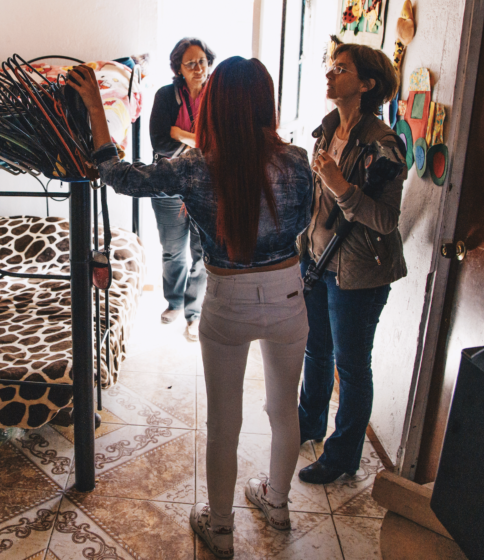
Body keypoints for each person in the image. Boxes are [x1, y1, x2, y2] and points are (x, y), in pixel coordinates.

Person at [68, 58, 313, 559]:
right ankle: (279, 506)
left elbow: (119, 175)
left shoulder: (195, 166)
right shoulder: (297, 161)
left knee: (224, 421)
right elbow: (302, 222)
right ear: (267, 103)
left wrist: (96, 107)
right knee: (284, 409)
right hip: (288, 293)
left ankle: (220, 528)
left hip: (228, 299)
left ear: (215, 106)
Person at [296, 43, 406, 485]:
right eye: (330, 67)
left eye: (340, 69)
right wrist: (302, 248)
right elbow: (315, 202)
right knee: (314, 350)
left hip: (359, 275)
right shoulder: (327, 132)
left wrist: (341, 185)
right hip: (319, 264)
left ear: (366, 84)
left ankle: (342, 455)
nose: (329, 75)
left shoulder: (385, 145)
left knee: (352, 366)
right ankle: (308, 424)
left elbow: (385, 220)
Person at [148, 38, 216, 341]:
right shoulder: (166, 96)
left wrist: (182, 134)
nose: (198, 67)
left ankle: (194, 311)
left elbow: (218, 143)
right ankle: (174, 302)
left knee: (202, 252)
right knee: (173, 250)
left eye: (202, 60)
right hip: (168, 183)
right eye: (191, 63)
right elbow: (159, 142)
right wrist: (198, 142)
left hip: (208, 185)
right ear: (179, 68)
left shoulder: (217, 95)